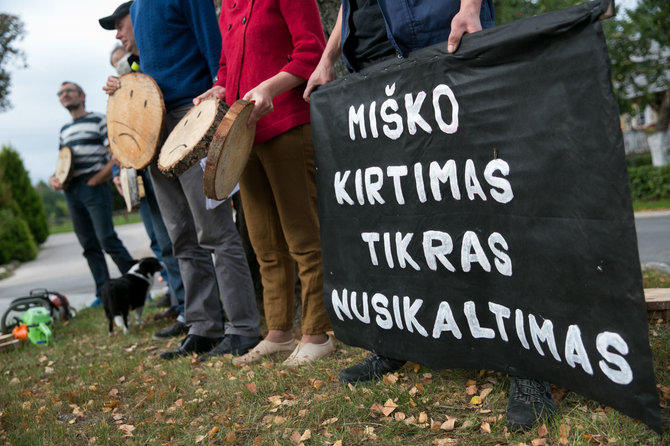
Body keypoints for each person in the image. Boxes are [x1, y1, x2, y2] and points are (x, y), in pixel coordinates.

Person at [303, 0, 555, 431]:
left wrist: (471, 6)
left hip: (445, 41)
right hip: (371, 71)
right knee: (393, 214)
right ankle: (397, 337)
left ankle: (528, 364)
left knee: (480, 204)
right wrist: (328, 58)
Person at [100, 0, 262, 360]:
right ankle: (203, 326)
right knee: (180, 238)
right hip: (153, 126)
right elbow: (153, 62)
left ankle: (243, 328)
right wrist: (124, 86)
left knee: (216, 231)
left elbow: (215, 50)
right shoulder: (139, 7)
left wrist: (219, 103)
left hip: (194, 115)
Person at [193, 0, 335, 367]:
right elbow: (226, 66)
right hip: (243, 136)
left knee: (303, 235)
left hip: (288, 123)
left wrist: (270, 87)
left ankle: (317, 333)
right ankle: (278, 334)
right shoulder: (227, 6)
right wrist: (218, 89)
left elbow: (312, 52)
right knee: (265, 242)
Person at [100, 7, 189, 336]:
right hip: (139, 170)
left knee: (179, 237)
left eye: (119, 26)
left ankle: (194, 307)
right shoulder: (125, 74)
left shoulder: (158, 58)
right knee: (161, 243)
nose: (117, 34)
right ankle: (182, 305)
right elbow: (122, 128)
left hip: (166, 155)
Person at [49, 81, 135, 307]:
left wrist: (98, 179)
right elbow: (62, 163)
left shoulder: (98, 120)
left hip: (95, 188)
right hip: (72, 190)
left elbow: (114, 154)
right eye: (61, 93)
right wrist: (54, 179)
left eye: (68, 91)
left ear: (82, 95)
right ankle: (103, 293)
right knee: (88, 244)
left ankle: (136, 283)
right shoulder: (64, 130)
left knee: (107, 238)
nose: (64, 95)